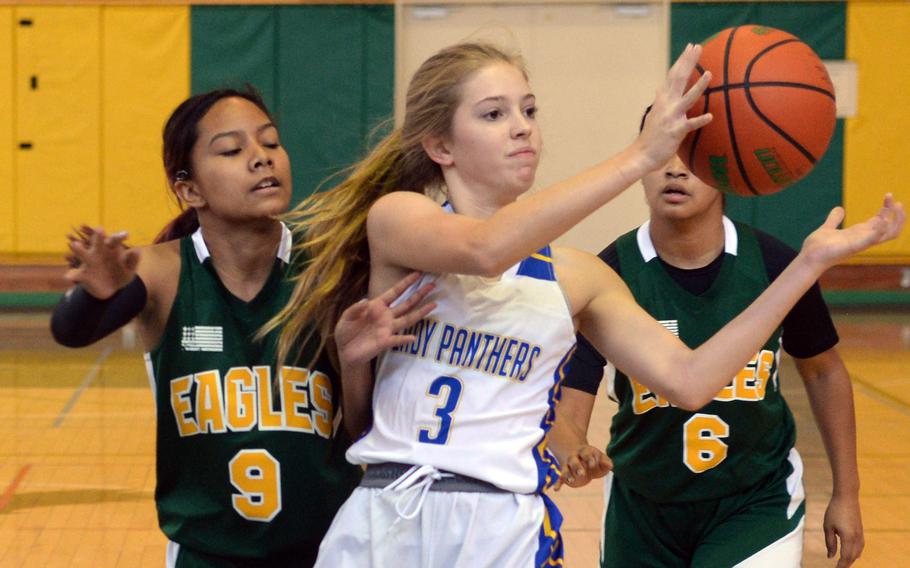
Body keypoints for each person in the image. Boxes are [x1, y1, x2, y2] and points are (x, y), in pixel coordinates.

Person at [268, 42, 902, 567]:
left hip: (500, 528)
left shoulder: (579, 277)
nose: (521, 126)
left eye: (529, 109)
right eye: (493, 114)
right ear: (440, 146)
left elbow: (691, 380)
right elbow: (486, 249)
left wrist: (808, 265)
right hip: (386, 516)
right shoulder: (400, 221)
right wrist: (637, 157)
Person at [49, 87, 435, 568]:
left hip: (329, 550)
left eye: (271, 143)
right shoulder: (164, 272)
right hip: (205, 556)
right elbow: (71, 331)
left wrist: (356, 365)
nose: (261, 159)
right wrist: (96, 294)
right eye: (232, 150)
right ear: (190, 190)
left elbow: (367, 436)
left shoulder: (327, 269)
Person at [549, 122, 867, 567]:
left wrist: (846, 494)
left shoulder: (776, 264)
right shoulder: (611, 271)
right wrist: (571, 448)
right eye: (662, 154)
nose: (675, 170)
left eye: (693, 157)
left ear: (727, 168)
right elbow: (572, 397)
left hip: (754, 501)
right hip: (641, 505)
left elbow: (824, 370)